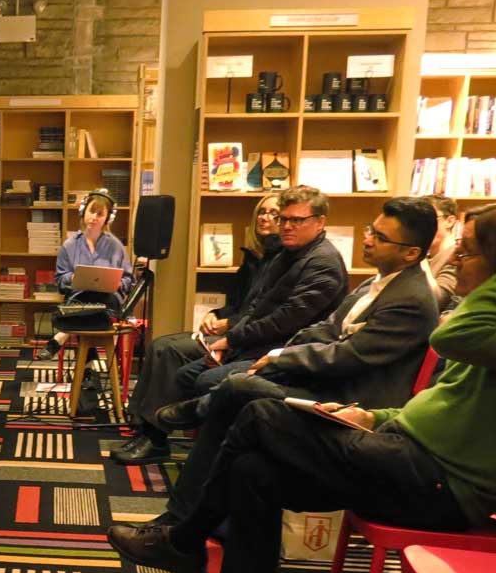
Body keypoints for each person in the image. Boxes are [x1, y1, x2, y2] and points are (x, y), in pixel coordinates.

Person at [107, 200, 496, 573]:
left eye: (469, 252)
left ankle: (185, 539)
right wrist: (374, 415)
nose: (456, 260)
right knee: (251, 471)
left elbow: (449, 339)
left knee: (257, 413)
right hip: (405, 457)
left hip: (443, 487)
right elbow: (444, 401)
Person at [150, 197, 440, 522]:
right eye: (371, 230)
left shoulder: (411, 300)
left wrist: (277, 360)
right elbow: (324, 329)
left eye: (381, 237)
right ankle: (188, 520)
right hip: (321, 379)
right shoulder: (378, 282)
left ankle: (184, 513)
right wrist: (281, 355)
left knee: (236, 390)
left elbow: (346, 356)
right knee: (235, 401)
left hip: (350, 404)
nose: (368, 239)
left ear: (411, 253)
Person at [112, 186, 349, 465]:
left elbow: (284, 321)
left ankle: (193, 451)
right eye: (283, 219)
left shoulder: (322, 264)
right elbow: (256, 306)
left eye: (294, 220)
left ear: (320, 221)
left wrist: (231, 340)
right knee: (178, 360)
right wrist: (228, 334)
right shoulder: (285, 254)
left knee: (196, 371)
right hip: (255, 341)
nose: (285, 225)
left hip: (285, 354)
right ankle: (158, 434)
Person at [36, 189, 133, 360]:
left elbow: (129, 281)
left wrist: (117, 283)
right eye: (91, 211)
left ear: (107, 218)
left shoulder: (116, 246)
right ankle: (88, 370)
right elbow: (60, 280)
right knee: (85, 306)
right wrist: (72, 278)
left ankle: (59, 338)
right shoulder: (69, 245)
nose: (94, 217)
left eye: (100, 213)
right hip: (80, 303)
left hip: (108, 304)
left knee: (87, 306)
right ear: (83, 212)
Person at [199, 193, 283, 339]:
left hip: (254, 337)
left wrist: (230, 323)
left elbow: (265, 311)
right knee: (163, 345)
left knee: (169, 348)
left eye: (273, 213)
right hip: (235, 329)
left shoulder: (284, 260)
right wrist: (215, 314)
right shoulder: (253, 259)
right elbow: (236, 304)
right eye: (261, 212)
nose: (263, 218)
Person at [425, 194, 461, 311]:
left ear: (449, 221)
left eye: (428, 219)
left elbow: (436, 300)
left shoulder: (456, 258)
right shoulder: (427, 258)